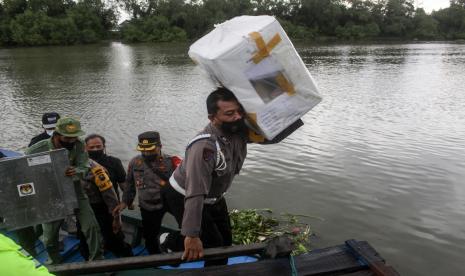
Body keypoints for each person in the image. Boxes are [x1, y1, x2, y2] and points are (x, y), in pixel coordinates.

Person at [169, 87, 249, 266]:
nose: (237, 116)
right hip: (184, 193)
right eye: (229, 113)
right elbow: (195, 191)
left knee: (226, 243)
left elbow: (269, 136)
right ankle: (170, 241)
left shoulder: (238, 131)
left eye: (239, 111)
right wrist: (192, 234)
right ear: (213, 118)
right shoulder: (205, 146)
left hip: (214, 196)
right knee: (213, 245)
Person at [25, 117, 103, 264]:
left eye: (74, 137)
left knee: (92, 227)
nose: (72, 141)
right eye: (67, 138)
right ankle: (54, 261)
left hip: (75, 191)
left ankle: (98, 260)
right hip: (50, 195)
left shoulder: (79, 145)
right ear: (56, 134)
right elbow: (23, 170)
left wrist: (76, 171)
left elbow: (85, 167)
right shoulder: (37, 149)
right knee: (49, 237)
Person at [113, 131, 184, 254]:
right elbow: (129, 184)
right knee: (150, 236)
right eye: (143, 150)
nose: (146, 153)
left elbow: (184, 184)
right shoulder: (135, 162)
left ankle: (173, 244)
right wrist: (125, 202)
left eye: (150, 150)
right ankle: (155, 258)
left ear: (160, 146)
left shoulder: (172, 161)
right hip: (148, 205)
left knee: (187, 227)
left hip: (171, 202)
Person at [79, 159, 133, 258]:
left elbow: (110, 196)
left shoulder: (95, 169)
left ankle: (126, 256)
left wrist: (116, 218)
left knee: (112, 236)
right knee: (83, 236)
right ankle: (88, 258)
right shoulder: (63, 166)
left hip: (99, 206)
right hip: (81, 207)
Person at [84, 134, 126, 200]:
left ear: (104, 146)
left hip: (112, 200)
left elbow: (122, 183)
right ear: (86, 148)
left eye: (98, 146)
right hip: (89, 202)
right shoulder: (82, 164)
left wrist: (128, 201)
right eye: (91, 147)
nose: (95, 149)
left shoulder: (115, 162)